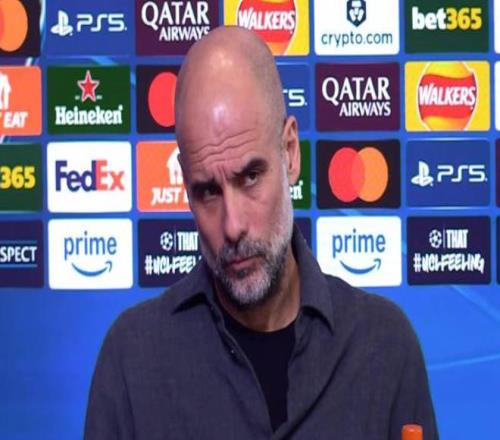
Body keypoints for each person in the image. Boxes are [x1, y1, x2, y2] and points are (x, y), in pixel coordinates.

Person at [84, 26, 438, 439]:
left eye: (250, 176)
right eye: (208, 191)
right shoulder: (132, 361)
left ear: (290, 153)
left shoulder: (385, 348)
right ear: (184, 184)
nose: (233, 226)